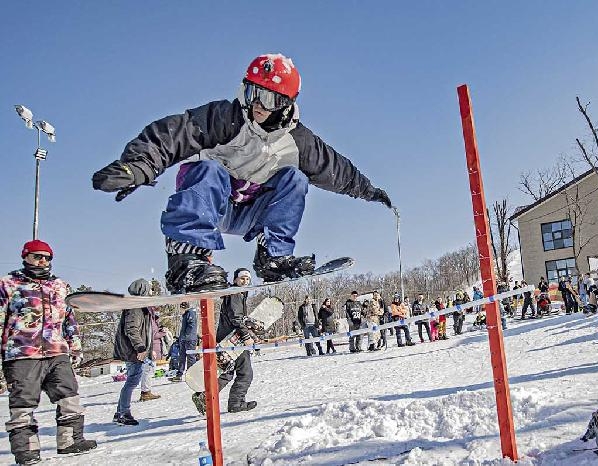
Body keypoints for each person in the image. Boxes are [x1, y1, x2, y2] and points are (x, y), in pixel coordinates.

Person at [91, 53, 393, 293]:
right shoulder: (225, 117)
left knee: (295, 179)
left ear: (286, 105)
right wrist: (142, 163)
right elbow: (173, 134)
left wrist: (370, 191)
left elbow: (337, 170)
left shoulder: (300, 143)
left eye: (269, 100)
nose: (258, 106)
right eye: (252, 94)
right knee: (209, 169)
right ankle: (187, 256)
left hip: (252, 213)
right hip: (210, 205)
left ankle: (272, 256)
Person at [1, 240, 97, 464]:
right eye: (37, 256)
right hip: (22, 353)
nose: (42, 261)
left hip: (56, 350)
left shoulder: (60, 286)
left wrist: (74, 345)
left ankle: (70, 441)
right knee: (23, 403)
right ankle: (27, 451)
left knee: (69, 395)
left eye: (47, 257)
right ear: (25, 257)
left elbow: (69, 318)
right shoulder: (9, 284)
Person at [192, 268, 258, 414]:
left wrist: (250, 331)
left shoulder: (237, 294)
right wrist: (246, 337)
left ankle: (204, 397)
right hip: (233, 340)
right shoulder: (235, 293)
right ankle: (236, 403)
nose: (245, 281)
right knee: (245, 373)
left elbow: (238, 317)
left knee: (227, 372)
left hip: (229, 338)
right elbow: (236, 318)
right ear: (235, 280)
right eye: (242, 279)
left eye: (247, 279)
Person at [114, 279, 157, 426]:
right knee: (132, 381)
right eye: (149, 289)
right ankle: (124, 414)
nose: (150, 293)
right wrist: (140, 347)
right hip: (133, 351)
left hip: (135, 350)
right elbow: (131, 328)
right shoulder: (135, 307)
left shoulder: (139, 306)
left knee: (132, 380)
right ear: (142, 290)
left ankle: (119, 412)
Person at [138, 311, 164, 402]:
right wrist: (163, 333)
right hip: (151, 348)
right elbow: (153, 335)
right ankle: (145, 392)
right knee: (148, 370)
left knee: (149, 370)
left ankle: (146, 391)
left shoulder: (153, 320)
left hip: (153, 347)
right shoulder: (149, 320)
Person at [171, 302, 198, 382]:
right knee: (182, 357)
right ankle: (179, 375)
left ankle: (191, 375)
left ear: (183, 307)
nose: (180, 310)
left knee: (190, 357)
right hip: (183, 339)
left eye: (180, 308)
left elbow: (191, 326)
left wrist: (186, 336)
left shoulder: (190, 313)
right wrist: (180, 338)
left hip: (189, 339)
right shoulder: (185, 314)